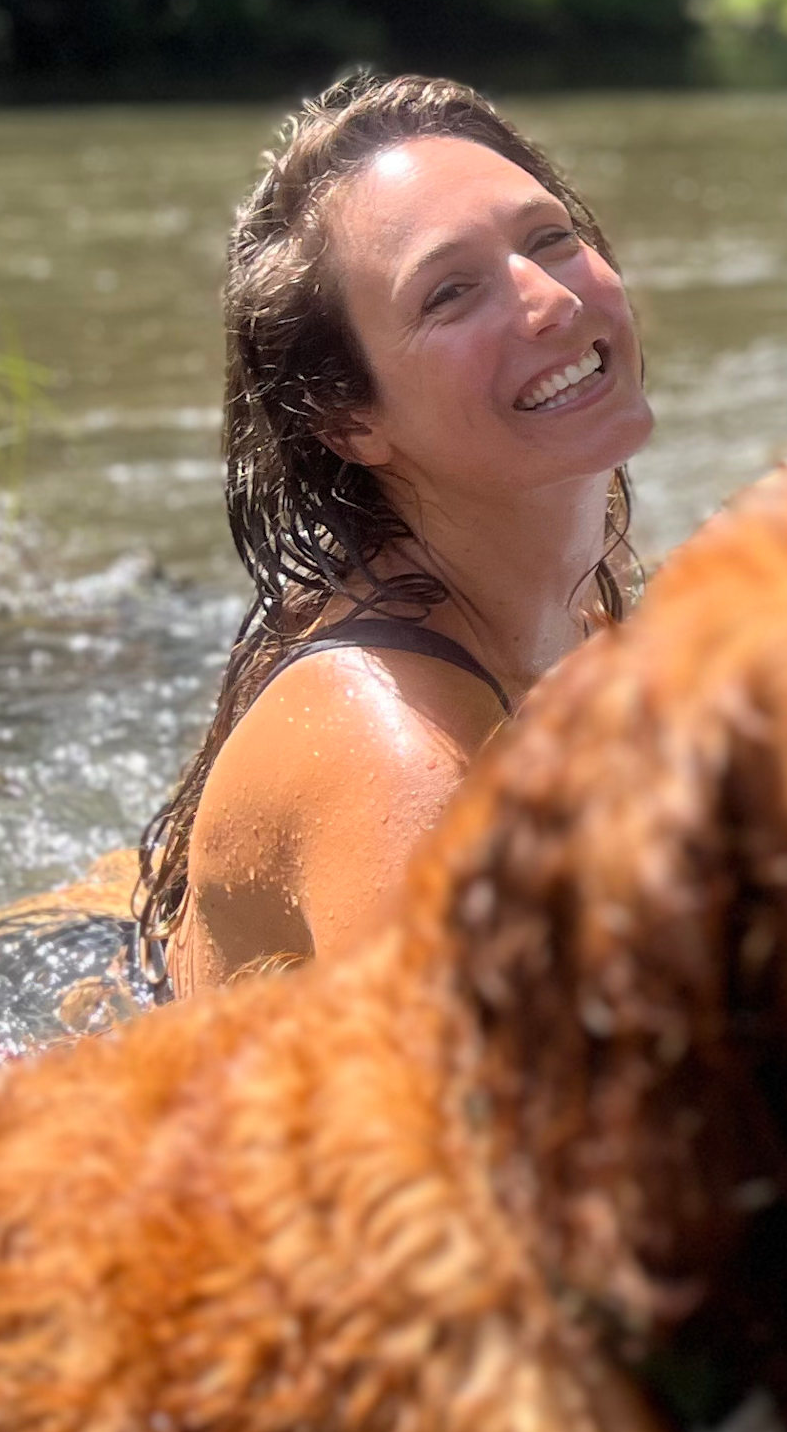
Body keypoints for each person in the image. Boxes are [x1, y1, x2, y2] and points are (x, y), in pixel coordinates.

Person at [132, 71, 653, 991]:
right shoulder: (402, 764)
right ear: (350, 420)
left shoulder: (587, 600)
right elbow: (474, 1086)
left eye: (551, 238)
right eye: (450, 294)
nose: (554, 302)